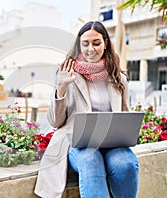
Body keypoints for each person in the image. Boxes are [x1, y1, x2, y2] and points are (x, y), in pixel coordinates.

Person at [34, 21, 139, 198]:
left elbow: (124, 114)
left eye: (96, 43)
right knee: (91, 161)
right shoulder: (67, 74)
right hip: (77, 142)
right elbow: (55, 122)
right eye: (85, 44)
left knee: (125, 163)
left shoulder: (118, 78)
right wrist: (61, 88)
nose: (91, 49)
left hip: (111, 142)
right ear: (79, 45)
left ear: (105, 43)